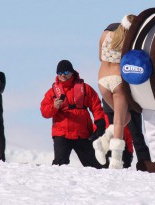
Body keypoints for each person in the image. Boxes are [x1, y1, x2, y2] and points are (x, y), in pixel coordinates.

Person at [40, 60, 105, 168]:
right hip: (62, 134)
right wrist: (54, 107)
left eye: (65, 72)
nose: (62, 75)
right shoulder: (52, 92)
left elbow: (96, 105)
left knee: (94, 167)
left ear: (71, 72)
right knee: (59, 166)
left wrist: (99, 122)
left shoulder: (84, 88)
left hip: (82, 133)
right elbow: (44, 111)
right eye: (60, 73)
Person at [93, 15, 136, 169]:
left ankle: (103, 141)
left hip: (102, 80)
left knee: (126, 117)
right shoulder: (128, 40)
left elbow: (100, 57)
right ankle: (116, 161)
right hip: (117, 80)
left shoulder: (104, 35)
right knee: (119, 120)